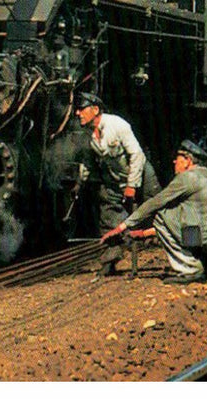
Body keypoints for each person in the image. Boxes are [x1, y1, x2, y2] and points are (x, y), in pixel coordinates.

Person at [102, 139, 207, 284]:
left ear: (187, 161)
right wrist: (143, 234)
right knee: (185, 216)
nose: (174, 162)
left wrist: (122, 227)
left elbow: (154, 203)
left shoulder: (187, 177)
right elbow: (182, 223)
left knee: (162, 213)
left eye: (178, 158)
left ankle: (190, 270)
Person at [77, 93, 158, 276]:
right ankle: (110, 261)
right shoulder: (87, 134)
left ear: (95, 109)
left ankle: (186, 254)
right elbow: (89, 162)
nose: (77, 113)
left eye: (82, 109)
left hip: (141, 173)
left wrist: (132, 185)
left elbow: (136, 155)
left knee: (159, 211)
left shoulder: (118, 125)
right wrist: (81, 182)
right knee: (108, 216)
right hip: (114, 178)